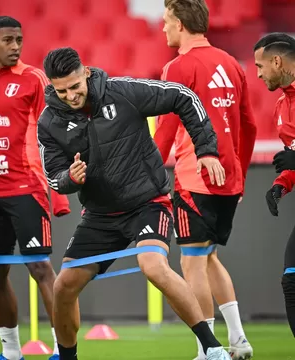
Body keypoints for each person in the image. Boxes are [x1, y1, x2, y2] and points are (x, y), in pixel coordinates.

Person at [38, 47, 233, 360]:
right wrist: (70, 179)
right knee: (63, 287)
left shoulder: (123, 92)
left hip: (148, 203)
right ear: (52, 86)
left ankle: (212, 348)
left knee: (153, 265)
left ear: (86, 72)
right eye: (61, 90)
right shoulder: (49, 122)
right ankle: (67, 356)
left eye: (75, 87)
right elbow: (54, 177)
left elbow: (183, 95)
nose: (71, 96)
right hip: (100, 216)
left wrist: (206, 150)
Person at [153, 1, 256, 358]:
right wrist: (239, 172)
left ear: (180, 23)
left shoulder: (178, 66)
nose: (163, 28)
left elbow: (165, 129)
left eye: (166, 21)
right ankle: (239, 340)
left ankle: (207, 349)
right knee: (209, 258)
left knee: (191, 262)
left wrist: (147, 174)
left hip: (194, 178)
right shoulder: (232, 64)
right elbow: (249, 125)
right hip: (229, 180)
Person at [0, 16, 71, 360]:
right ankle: (11, 352)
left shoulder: (34, 80)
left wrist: (59, 195)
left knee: (40, 267)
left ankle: (62, 349)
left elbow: (53, 138)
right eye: (8, 40)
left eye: (19, 40)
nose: (15, 47)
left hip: (27, 188)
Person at [253, 32, 295, 337]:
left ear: (277, 61)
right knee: (291, 281)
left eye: (261, 65)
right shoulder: (282, 106)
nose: (258, 73)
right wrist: (281, 184)